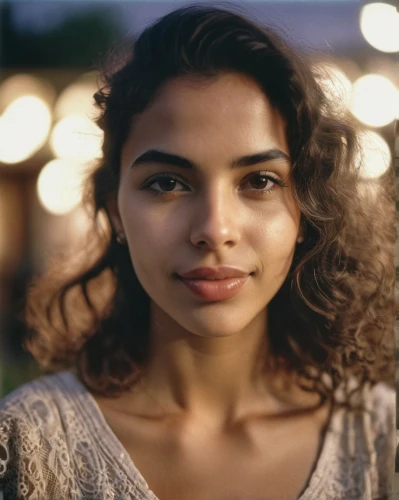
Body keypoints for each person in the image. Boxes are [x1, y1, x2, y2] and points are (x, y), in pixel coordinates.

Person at [0, 4, 395, 500]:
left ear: (306, 211)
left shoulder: (381, 437)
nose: (215, 228)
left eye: (259, 181)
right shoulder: (25, 445)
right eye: (167, 183)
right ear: (115, 211)